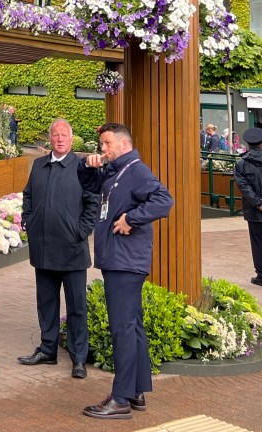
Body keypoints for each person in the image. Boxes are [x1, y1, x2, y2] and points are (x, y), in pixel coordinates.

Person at [77, 122, 173, 419]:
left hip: (125, 261)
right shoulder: (116, 171)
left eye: (107, 143)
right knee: (132, 326)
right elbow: (91, 186)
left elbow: (164, 200)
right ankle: (135, 392)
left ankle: (119, 400)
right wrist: (87, 166)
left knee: (122, 329)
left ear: (124, 144)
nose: (103, 148)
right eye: (101, 144)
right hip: (119, 259)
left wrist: (132, 218)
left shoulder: (136, 171)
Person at [18, 118, 99, 378]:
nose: (60, 139)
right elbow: (28, 195)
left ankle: (78, 358)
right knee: (46, 304)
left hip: (72, 250)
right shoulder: (39, 165)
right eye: (56, 135)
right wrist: (28, 220)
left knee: (76, 307)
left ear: (71, 139)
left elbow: (93, 203)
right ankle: (47, 350)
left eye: (64, 135)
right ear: (50, 139)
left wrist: (80, 231)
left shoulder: (82, 167)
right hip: (43, 248)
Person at [233, 127, 262, 287]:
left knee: (257, 243)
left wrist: (258, 203)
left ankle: (261, 276)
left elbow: (244, 187)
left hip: (253, 210)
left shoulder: (241, 164)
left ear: (248, 144)